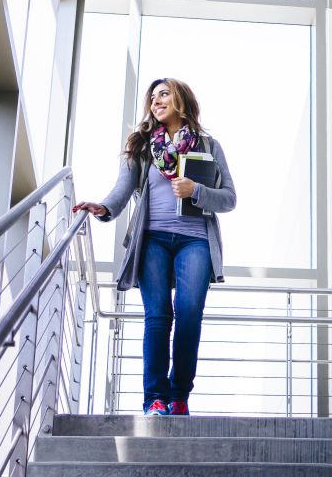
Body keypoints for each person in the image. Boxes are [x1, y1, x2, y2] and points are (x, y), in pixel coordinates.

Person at [72, 77, 236, 416]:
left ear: (181, 99)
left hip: (196, 240)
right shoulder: (142, 145)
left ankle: (179, 395)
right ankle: (155, 398)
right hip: (153, 239)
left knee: (189, 315)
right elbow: (122, 188)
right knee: (158, 316)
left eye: (164, 94)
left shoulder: (208, 145)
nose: (155, 101)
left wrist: (196, 191)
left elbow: (229, 199)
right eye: (152, 97)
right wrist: (103, 208)